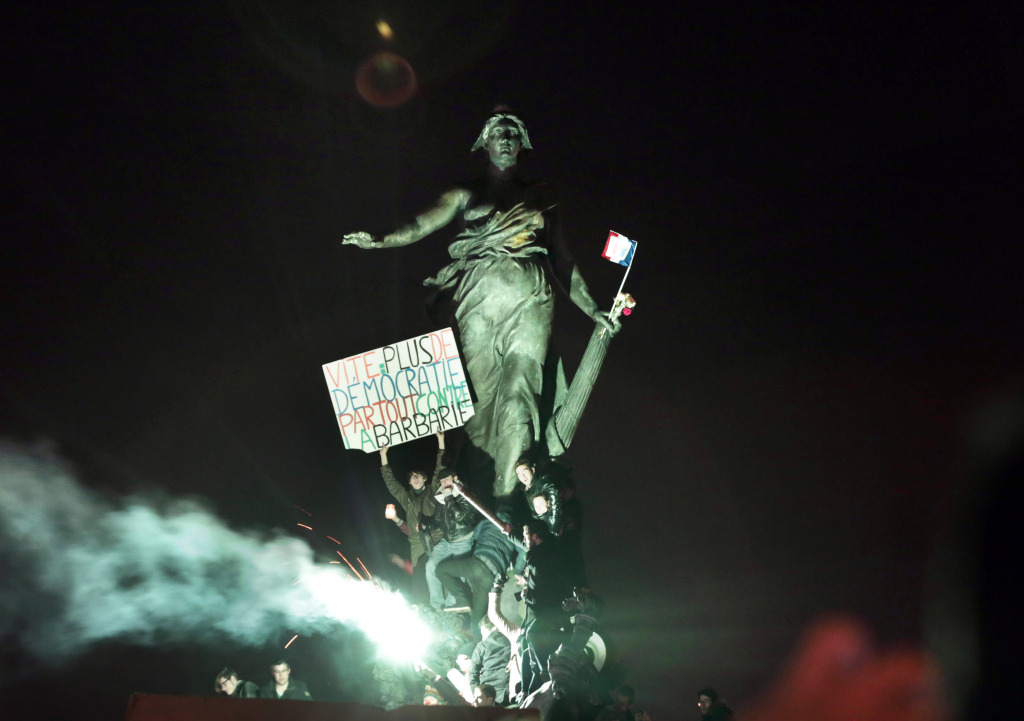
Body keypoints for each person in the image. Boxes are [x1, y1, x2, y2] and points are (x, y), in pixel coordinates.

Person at [344, 111, 617, 498]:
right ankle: (479, 493)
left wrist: (592, 308)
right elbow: (421, 225)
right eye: (498, 133)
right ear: (484, 144)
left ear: (522, 144)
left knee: (520, 393)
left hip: (531, 300)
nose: (506, 138)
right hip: (476, 302)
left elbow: (563, 260)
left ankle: (508, 500)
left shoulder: (542, 195)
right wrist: (379, 239)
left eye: (513, 133)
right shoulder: (463, 193)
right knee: (477, 400)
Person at [379, 431, 445, 603]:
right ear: (409, 482)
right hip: (417, 543)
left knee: (440, 570)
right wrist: (383, 456)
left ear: (424, 478)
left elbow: (440, 468)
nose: (415, 478)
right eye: (412, 477)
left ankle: (446, 605)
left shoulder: (432, 490)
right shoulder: (406, 497)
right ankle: (422, 607)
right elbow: (391, 484)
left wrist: (441, 440)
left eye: (418, 475)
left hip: (436, 537)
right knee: (420, 576)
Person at [435, 509, 518, 627]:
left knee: (441, 570)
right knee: (476, 620)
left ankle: (461, 598)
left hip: (479, 564)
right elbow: (522, 551)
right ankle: (479, 643)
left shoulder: (487, 520)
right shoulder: (514, 532)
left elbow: (475, 536)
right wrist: (518, 571)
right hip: (491, 579)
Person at [421, 467, 480, 609]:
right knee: (431, 565)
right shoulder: (441, 498)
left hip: (463, 540)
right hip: (446, 541)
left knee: (458, 572)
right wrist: (426, 525)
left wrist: (449, 497)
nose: (444, 483)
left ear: (455, 478)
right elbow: (436, 520)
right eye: (441, 481)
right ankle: (436, 604)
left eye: (447, 479)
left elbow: (460, 516)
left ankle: (452, 604)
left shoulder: (466, 494)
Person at [469, 616, 512, 705]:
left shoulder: (482, 646)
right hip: (508, 692)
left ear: (485, 629)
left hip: (487, 695)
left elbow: (473, 673)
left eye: (482, 632)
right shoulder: (512, 640)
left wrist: (477, 694)